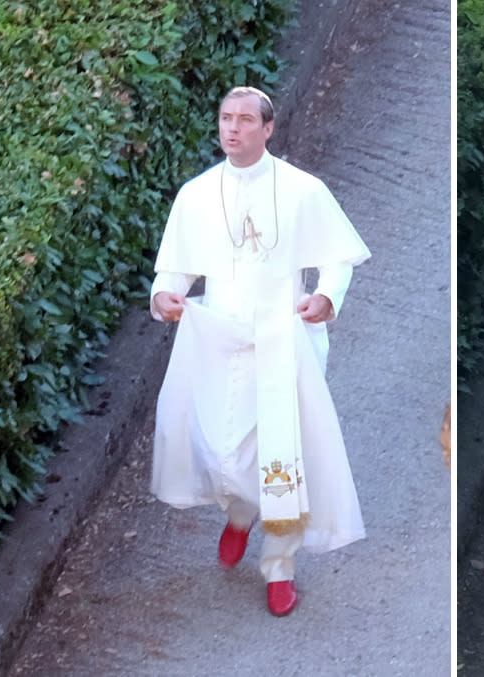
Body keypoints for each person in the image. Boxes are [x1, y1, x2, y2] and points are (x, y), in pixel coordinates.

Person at [149, 86, 371, 617]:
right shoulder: (197, 194)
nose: (233, 128)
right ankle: (241, 514)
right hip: (219, 339)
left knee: (282, 453)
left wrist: (325, 297)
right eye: (226, 118)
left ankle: (280, 567)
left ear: (268, 129)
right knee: (225, 446)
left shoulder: (301, 190)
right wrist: (163, 295)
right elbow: (174, 266)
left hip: (283, 337)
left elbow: (339, 257)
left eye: (246, 120)